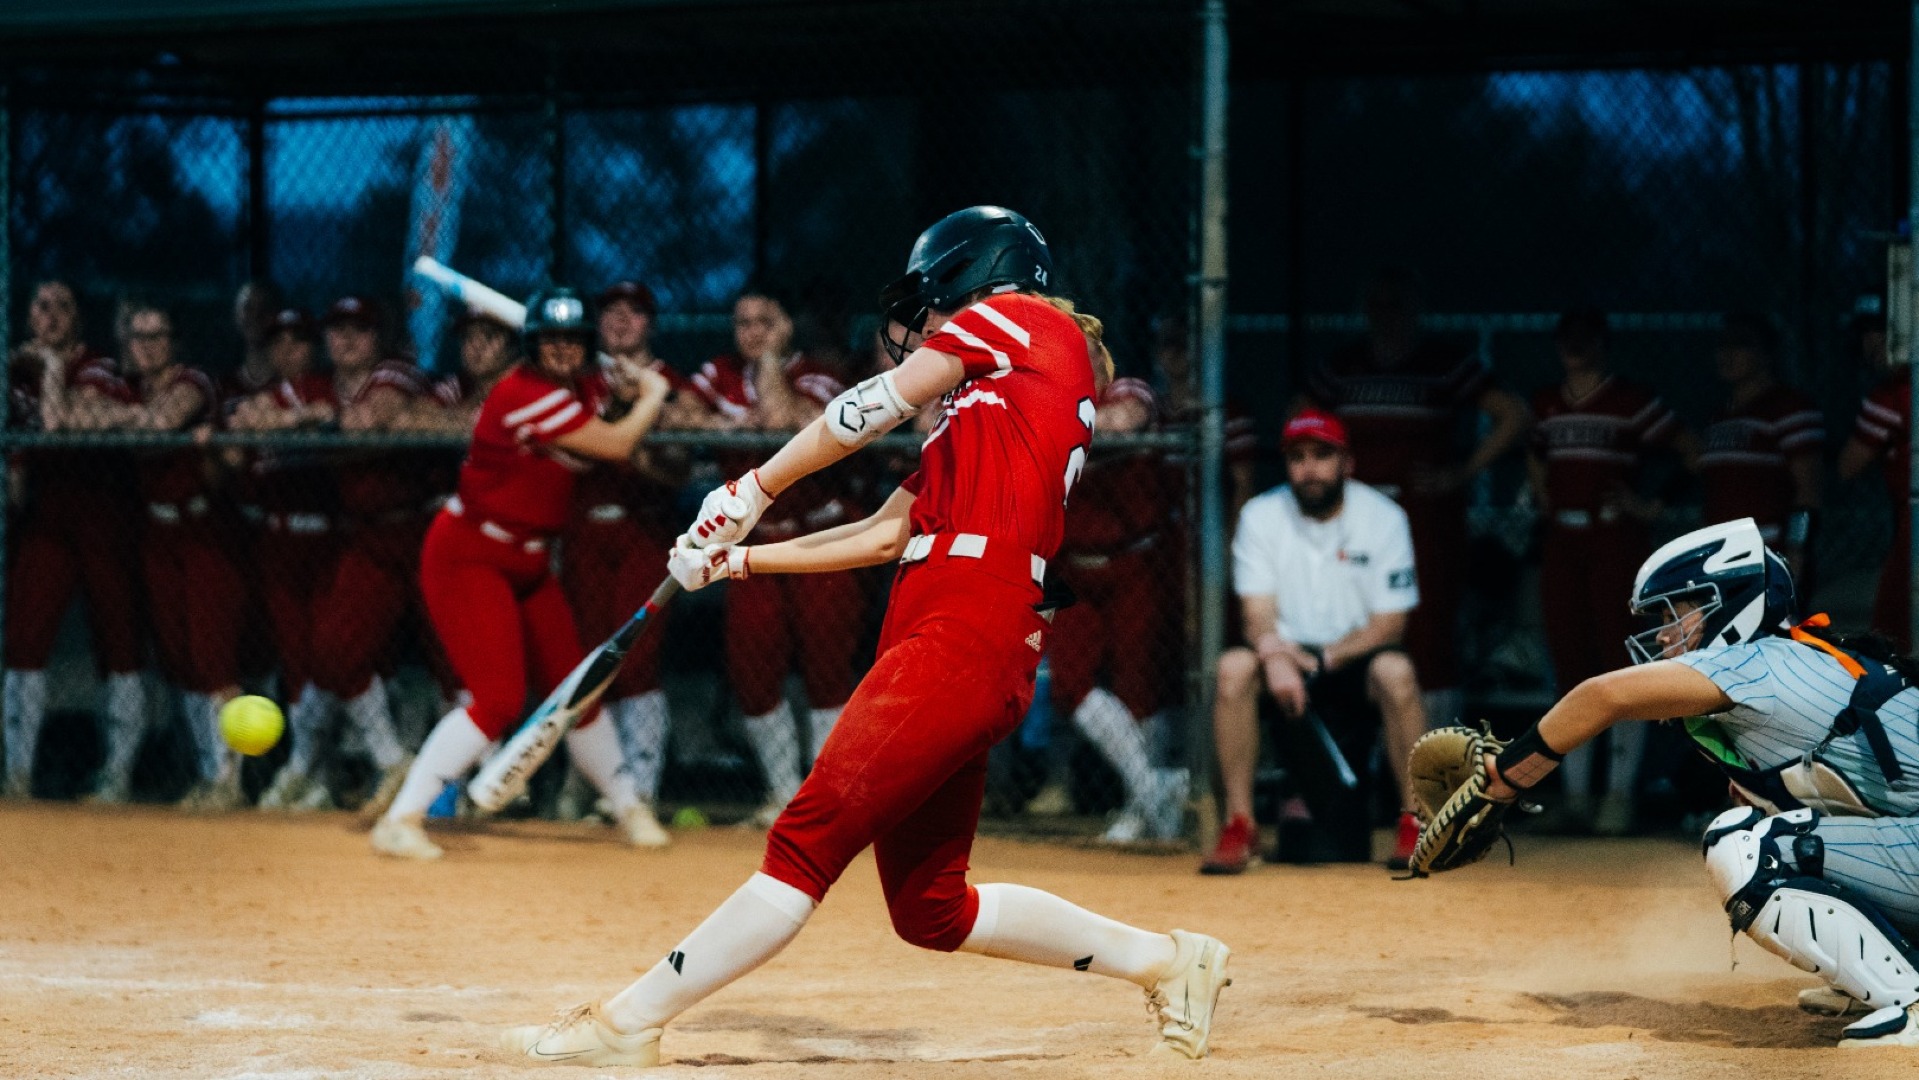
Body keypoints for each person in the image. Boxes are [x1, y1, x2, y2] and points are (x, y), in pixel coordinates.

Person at [499, 206, 1231, 1066]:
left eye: (931, 301)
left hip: (968, 625)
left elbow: (869, 406)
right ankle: (1170, 962)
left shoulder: (1028, 318)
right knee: (931, 909)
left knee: (802, 841)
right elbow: (886, 535)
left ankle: (623, 1024)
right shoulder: (983, 413)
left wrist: (752, 488)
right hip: (941, 625)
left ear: (975, 276)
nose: (921, 326)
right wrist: (737, 563)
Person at [1469, 516, 1919, 1047]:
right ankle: (1881, 969)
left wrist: (1505, 777)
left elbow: (1600, 697)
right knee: (1767, 815)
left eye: (1676, 612)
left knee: (1747, 846)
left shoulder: (1754, 663)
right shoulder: (1788, 658)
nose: (1662, 633)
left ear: (1732, 603)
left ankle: (1909, 1000)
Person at [369, 286, 673, 860]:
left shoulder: (579, 386)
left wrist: (624, 384)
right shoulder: (524, 393)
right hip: (469, 554)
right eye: (550, 341)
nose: (561, 352)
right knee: (499, 699)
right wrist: (651, 392)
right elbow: (615, 443)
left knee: (576, 686)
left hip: (530, 559)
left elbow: (607, 405)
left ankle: (630, 808)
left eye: (572, 341)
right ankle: (402, 817)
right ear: (532, 346)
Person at [1301, 268, 1530, 729]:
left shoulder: (1443, 364)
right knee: (1347, 622)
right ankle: (1360, 755)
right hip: (1354, 519)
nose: (1386, 318)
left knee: (1429, 631)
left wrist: (1460, 472)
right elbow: (1300, 420)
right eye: (1377, 307)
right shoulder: (1343, 367)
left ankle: (1437, 756)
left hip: (1424, 520)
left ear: (1416, 312)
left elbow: (1513, 415)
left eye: (1397, 306)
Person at [1200, 409, 1426, 874]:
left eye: (1323, 456)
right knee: (1233, 669)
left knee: (1398, 673)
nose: (1310, 468)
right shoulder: (1261, 515)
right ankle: (1240, 825)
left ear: (1348, 463)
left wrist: (1325, 657)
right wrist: (1275, 654)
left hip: (1352, 658)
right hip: (1283, 659)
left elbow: (1391, 624)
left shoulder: (1385, 518)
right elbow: (1256, 612)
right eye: (1298, 457)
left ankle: (1416, 820)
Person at [44, 300, 248, 808]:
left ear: (174, 342)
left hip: (204, 529)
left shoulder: (193, 380)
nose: (147, 346)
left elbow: (161, 421)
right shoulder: (125, 386)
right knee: (178, 657)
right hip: (158, 533)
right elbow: (62, 420)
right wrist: (59, 374)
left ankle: (229, 779)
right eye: (137, 337)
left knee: (211, 657)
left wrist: (117, 418)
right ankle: (208, 774)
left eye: (157, 336)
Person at [684, 286, 865, 825]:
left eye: (766, 321)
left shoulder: (817, 373)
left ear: (786, 326)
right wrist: (723, 423)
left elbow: (783, 416)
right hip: (756, 540)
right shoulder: (717, 372)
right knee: (753, 669)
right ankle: (785, 796)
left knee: (826, 668)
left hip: (820, 536)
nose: (752, 332)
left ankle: (830, 802)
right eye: (743, 322)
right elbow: (681, 413)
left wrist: (768, 363)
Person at [1527, 308, 1694, 835]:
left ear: (1603, 342)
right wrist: (1540, 491)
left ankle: (1618, 796)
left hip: (1615, 538)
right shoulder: (1547, 403)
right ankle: (1577, 796)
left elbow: (1690, 452)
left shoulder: (1630, 401)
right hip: (1563, 538)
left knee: (1621, 659)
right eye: (1567, 338)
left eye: (1586, 337)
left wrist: (1650, 505)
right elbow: (1533, 451)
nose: (1575, 347)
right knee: (1568, 659)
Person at [557, 280, 694, 843]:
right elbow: (564, 458)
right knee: (590, 660)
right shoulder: (579, 380)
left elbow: (677, 468)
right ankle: (596, 788)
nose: (621, 321)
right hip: (585, 533)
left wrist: (626, 433)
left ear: (649, 324)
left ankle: (640, 789)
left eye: (633, 313)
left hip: (644, 532)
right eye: (610, 310)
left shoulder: (669, 382)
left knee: (636, 662)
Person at [4, 281, 147, 801]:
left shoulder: (97, 367)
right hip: (45, 518)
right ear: (27, 316)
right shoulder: (13, 371)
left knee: (119, 641)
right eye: (41, 305)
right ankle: (17, 772)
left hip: (100, 514)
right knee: (24, 642)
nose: (52, 316)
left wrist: (50, 369)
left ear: (78, 320)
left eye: (64, 306)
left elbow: (62, 423)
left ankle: (118, 773)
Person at [1047, 369, 1188, 842]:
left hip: (1135, 564)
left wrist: (1056, 421)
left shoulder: (1126, 387)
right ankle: (1152, 790)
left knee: (1139, 687)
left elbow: (1124, 420)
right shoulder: (1048, 394)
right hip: (1071, 568)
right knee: (1068, 684)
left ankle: (1138, 809)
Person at [301, 296, 424, 813]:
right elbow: (254, 411)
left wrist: (316, 423)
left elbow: (375, 419)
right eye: (337, 329)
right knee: (334, 649)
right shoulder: (322, 386)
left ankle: (483, 787)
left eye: (359, 329)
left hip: (419, 532)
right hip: (367, 538)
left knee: (454, 664)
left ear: (377, 338)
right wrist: (316, 416)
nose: (347, 339)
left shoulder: (394, 373)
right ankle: (392, 760)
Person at [228, 309, 344, 811]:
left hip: (325, 542)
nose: (290, 350)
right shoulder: (268, 397)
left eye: (300, 340)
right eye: (281, 341)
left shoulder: (323, 388)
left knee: (330, 656)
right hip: (277, 544)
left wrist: (282, 421)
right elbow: (239, 428)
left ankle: (319, 767)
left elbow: (324, 415)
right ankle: (310, 769)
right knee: (295, 659)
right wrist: (273, 420)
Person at [1695, 313, 1822, 582]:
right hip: (1718, 554)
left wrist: (1796, 551)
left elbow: (1808, 490)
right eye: (1723, 345)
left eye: (1741, 345)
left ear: (1767, 353)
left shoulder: (1788, 409)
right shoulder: (1717, 417)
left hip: (1766, 551)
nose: (1727, 354)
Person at [1838, 305, 1910, 650]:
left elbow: (1848, 465)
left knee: (1893, 628)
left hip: (1913, 521)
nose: (1872, 347)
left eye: (1881, 333)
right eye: (1866, 336)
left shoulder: (1895, 395)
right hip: (1904, 515)